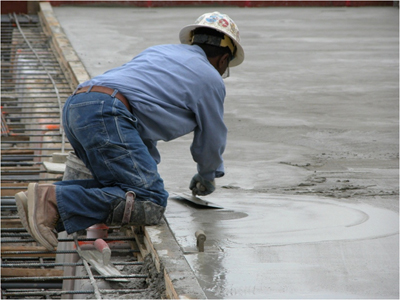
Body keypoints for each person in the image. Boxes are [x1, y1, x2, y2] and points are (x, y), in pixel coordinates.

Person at [15, 11, 245, 251]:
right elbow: (212, 137)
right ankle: (50, 201)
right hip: (107, 112)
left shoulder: (160, 52)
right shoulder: (210, 78)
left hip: (78, 105)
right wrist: (207, 175)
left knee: (122, 186)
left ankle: (43, 198)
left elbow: (138, 124)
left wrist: (146, 171)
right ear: (223, 59)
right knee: (151, 199)